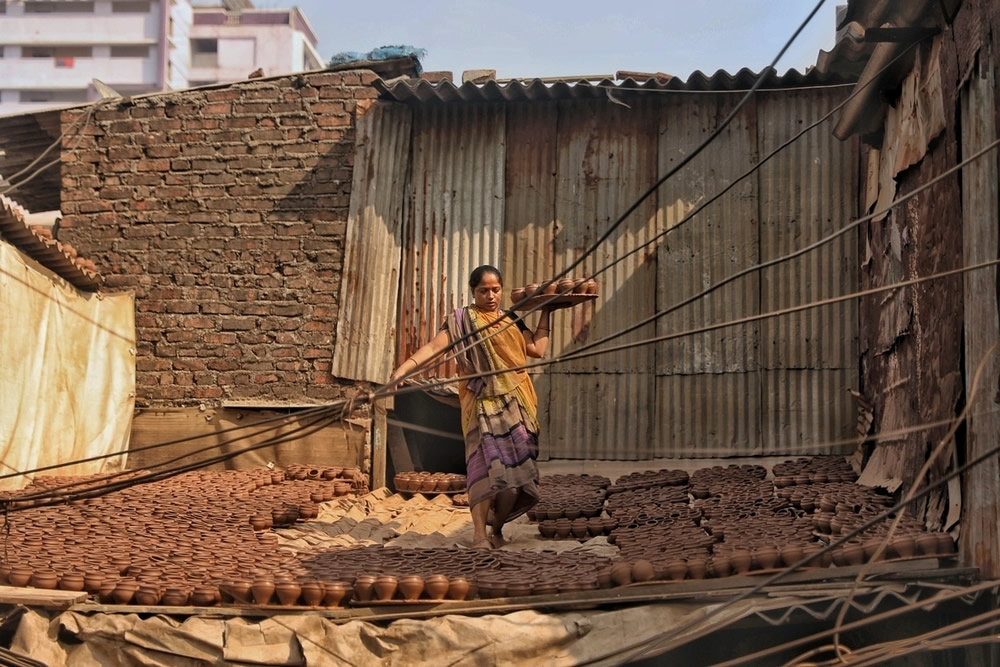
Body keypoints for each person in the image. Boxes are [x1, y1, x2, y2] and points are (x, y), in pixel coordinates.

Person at [390, 265, 553, 549]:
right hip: (480, 407)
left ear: (502, 289)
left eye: (496, 290)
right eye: (483, 291)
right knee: (483, 472)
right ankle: (479, 535)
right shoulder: (461, 321)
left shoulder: (511, 319)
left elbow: (537, 350)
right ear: (473, 291)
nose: (491, 296)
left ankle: (497, 528)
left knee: (515, 479)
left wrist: (547, 311)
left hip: (517, 404)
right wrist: (403, 370)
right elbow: (432, 348)